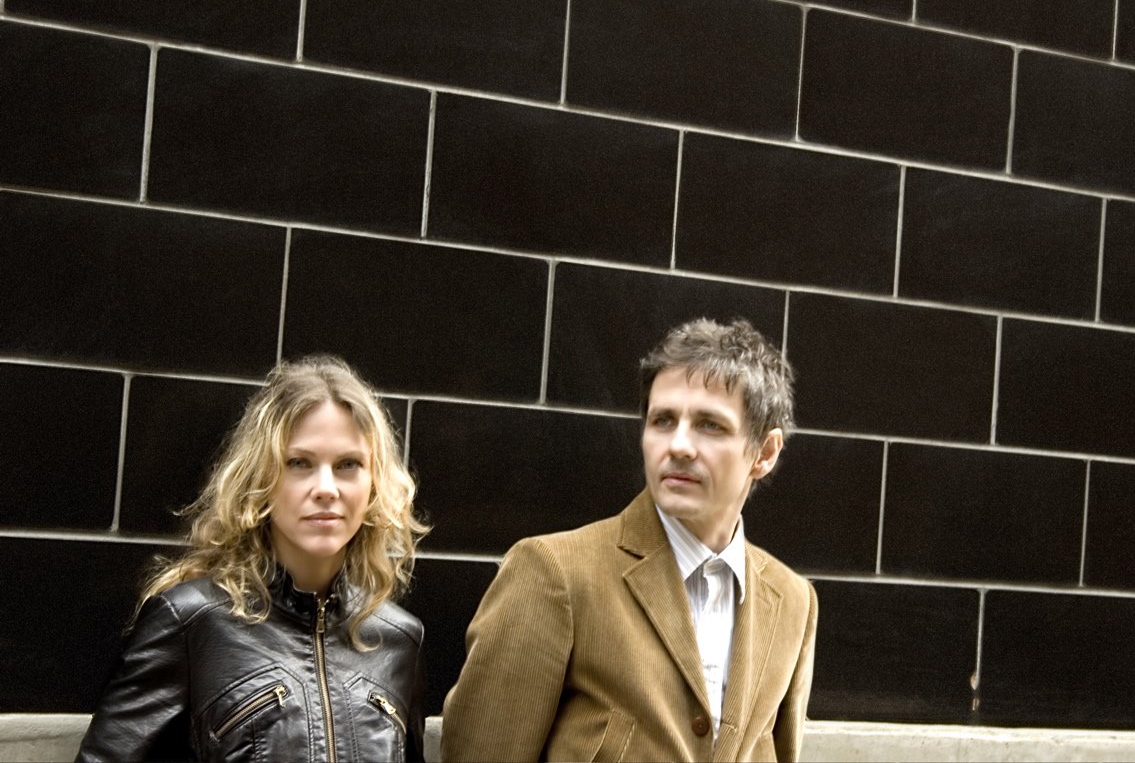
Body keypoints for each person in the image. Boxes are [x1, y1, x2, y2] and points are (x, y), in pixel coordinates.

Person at [441, 318, 818, 762]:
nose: (678, 445)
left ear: (765, 453)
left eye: (710, 425)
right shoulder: (555, 572)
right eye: (663, 420)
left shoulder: (793, 601)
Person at [77, 355, 430, 762]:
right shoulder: (191, 624)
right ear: (261, 476)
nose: (326, 488)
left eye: (348, 464)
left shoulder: (400, 641)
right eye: (299, 463)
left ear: (374, 482)